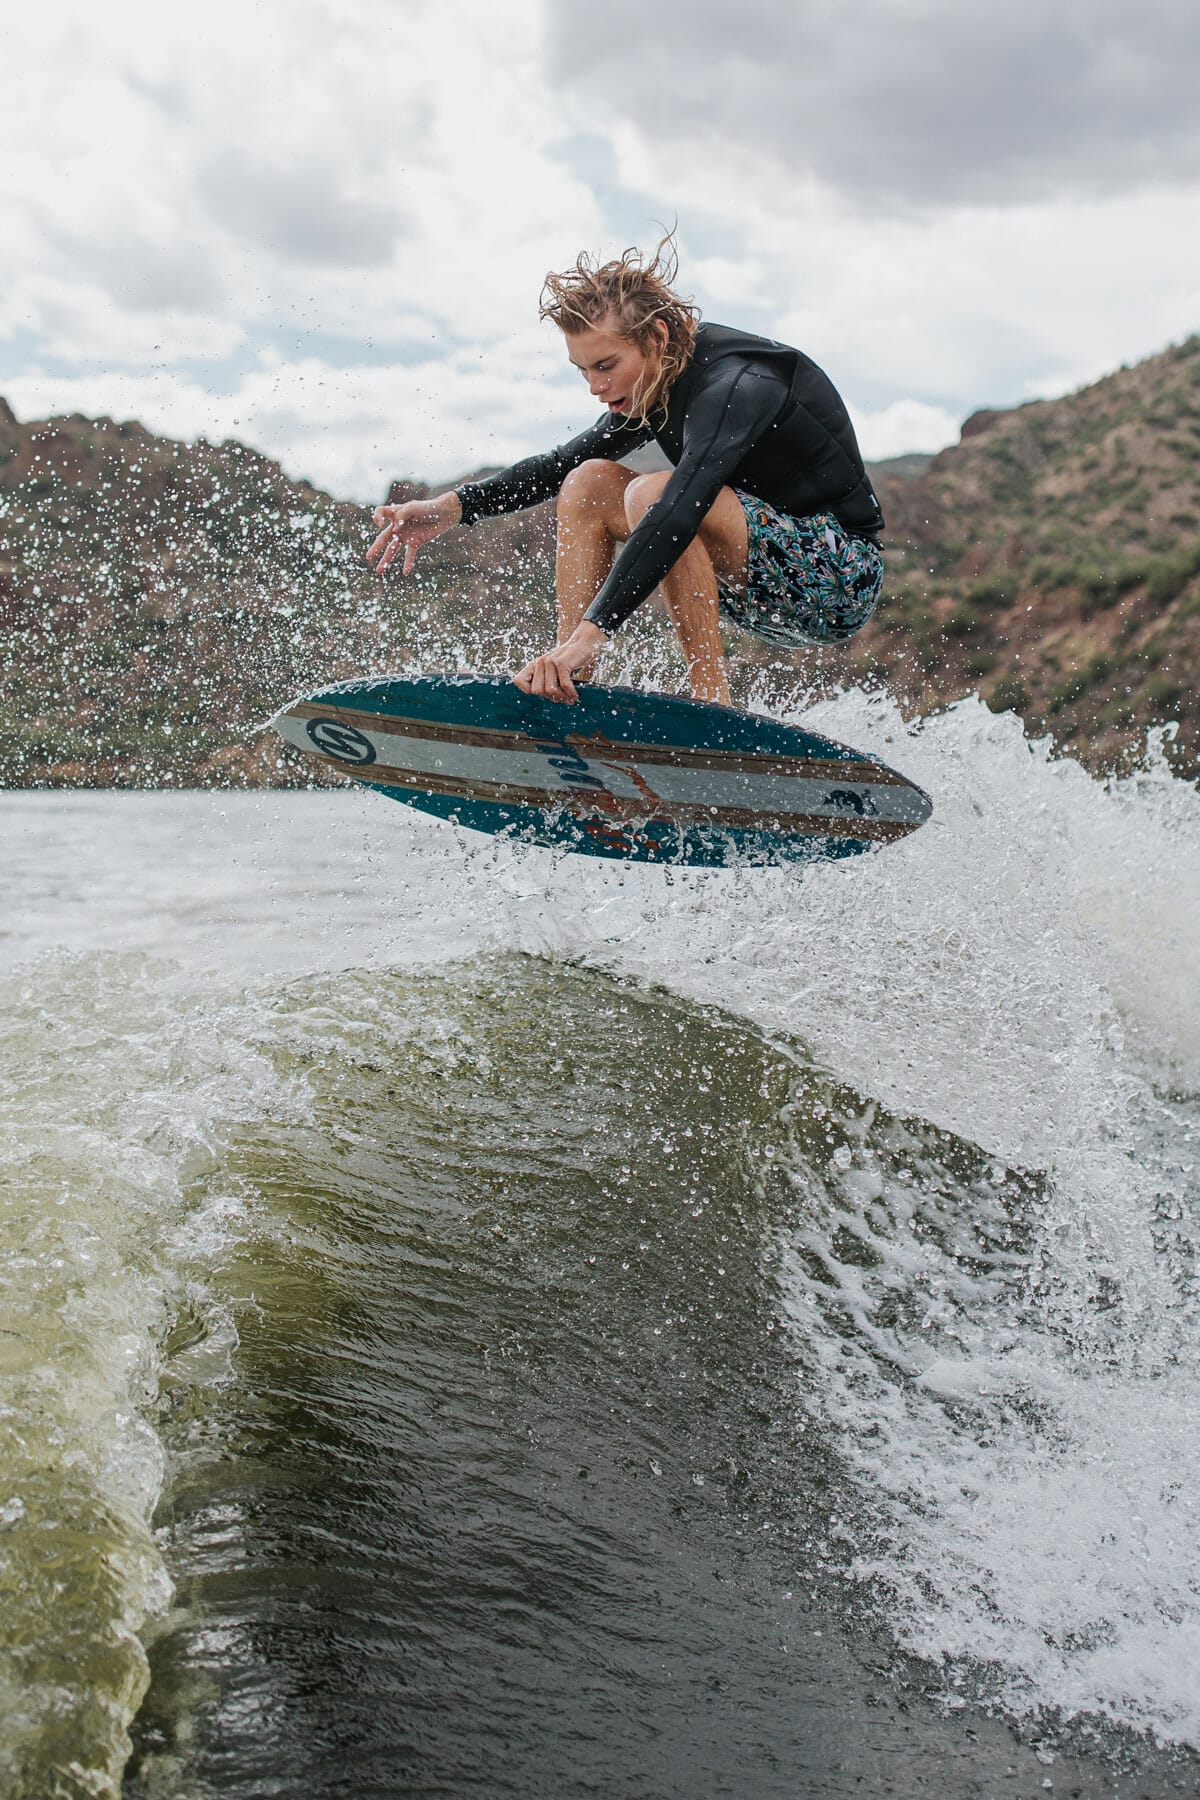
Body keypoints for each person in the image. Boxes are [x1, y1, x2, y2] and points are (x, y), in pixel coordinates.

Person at [366, 235, 885, 709]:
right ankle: (569, 686)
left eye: (606, 365)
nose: (594, 386)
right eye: (584, 370)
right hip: (748, 576)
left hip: (835, 581)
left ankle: (713, 704)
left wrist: (594, 630)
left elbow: (681, 506)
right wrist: (451, 508)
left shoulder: (737, 385)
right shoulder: (656, 381)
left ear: (657, 336)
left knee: (652, 493)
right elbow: (559, 464)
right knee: (587, 481)